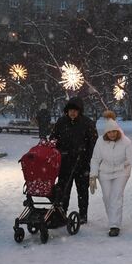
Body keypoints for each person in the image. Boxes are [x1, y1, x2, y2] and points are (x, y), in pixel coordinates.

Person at [89, 110, 132, 237]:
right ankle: (112, 219)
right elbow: (95, 159)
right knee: (107, 197)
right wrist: (93, 176)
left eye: (114, 131)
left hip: (122, 171)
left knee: (116, 196)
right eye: (109, 132)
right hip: (104, 172)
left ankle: (114, 225)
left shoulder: (126, 141)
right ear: (106, 132)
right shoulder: (100, 141)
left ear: (117, 131)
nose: (112, 134)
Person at [51, 96, 97, 224]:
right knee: (63, 190)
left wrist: (87, 158)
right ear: (67, 110)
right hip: (64, 163)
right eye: (70, 110)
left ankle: (83, 215)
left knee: (82, 191)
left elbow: (93, 143)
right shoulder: (61, 122)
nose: (73, 112)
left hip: (82, 163)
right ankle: (61, 213)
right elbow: (53, 139)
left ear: (80, 111)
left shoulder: (87, 123)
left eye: (75, 110)